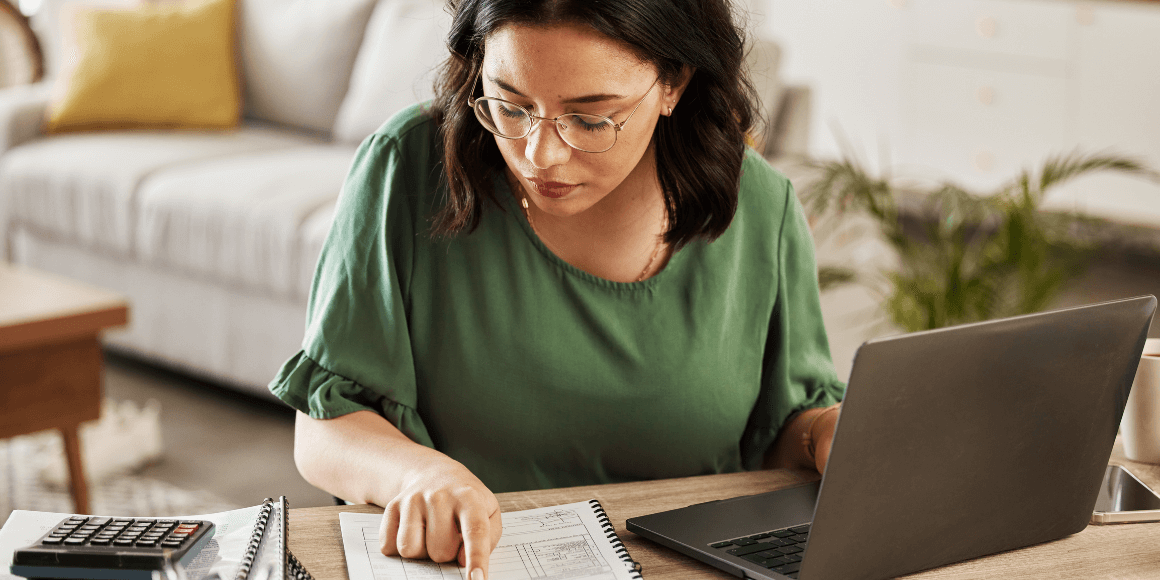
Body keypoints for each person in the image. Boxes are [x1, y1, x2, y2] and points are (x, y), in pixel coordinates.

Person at [269, 1, 845, 579]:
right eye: (510, 105)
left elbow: (785, 430)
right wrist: (418, 475)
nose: (539, 156)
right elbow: (323, 430)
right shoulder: (407, 169)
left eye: (591, 119)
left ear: (674, 82)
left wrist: (826, 433)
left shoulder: (764, 211)